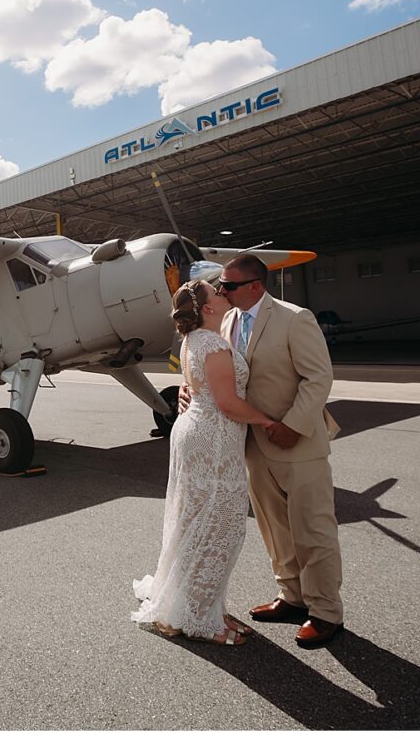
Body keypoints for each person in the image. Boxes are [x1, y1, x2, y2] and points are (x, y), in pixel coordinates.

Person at [132, 266, 282, 646]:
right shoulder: (212, 345)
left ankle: (202, 605)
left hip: (198, 433)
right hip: (211, 440)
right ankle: (200, 619)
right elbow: (229, 404)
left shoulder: (195, 339)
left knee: (198, 525)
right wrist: (266, 420)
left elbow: (198, 384)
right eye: (214, 292)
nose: (221, 292)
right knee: (220, 528)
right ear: (207, 308)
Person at [208, 253, 345, 647]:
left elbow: (318, 378)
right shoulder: (229, 321)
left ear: (255, 285)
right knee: (275, 528)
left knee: (313, 530)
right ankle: (292, 596)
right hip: (253, 444)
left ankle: (325, 612)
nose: (222, 291)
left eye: (229, 285)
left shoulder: (294, 317)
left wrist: (293, 426)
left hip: (298, 442)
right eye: (221, 285)